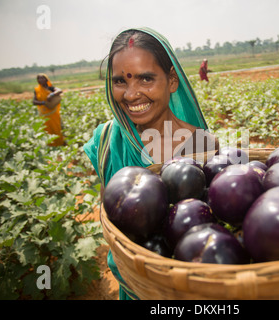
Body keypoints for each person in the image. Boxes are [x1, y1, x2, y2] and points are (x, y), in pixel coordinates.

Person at [83, 27, 218, 300]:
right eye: (120, 81)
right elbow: (113, 213)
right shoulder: (106, 140)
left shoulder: (201, 146)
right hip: (132, 285)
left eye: (146, 79)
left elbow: (207, 226)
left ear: (171, 80)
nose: (131, 95)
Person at [32, 74, 65, 146]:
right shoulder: (37, 90)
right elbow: (34, 101)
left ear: (46, 79)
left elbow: (59, 91)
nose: (41, 80)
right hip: (44, 114)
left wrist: (51, 95)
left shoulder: (50, 88)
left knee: (57, 128)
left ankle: (60, 143)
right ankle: (51, 145)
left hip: (53, 113)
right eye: (39, 79)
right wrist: (44, 102)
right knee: (47, 129)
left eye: (42, 78)